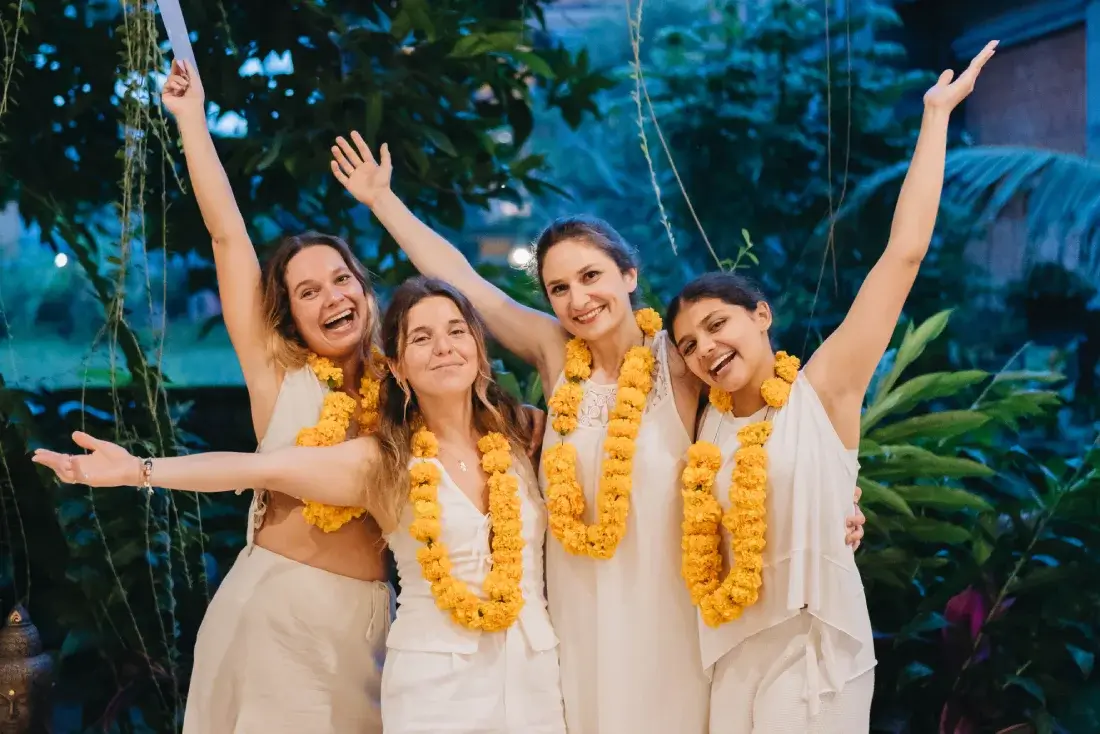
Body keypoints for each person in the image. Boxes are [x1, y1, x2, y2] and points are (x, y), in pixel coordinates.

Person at [327, 136, 867, 733]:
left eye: (591, 276)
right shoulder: (556, 356)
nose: (579, 299)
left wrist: (836, 496)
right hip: (579, 621)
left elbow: (769, 428)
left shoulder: (683, 362)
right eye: (559, 288)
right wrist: (382, 201)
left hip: (670, 620)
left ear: (628, 273)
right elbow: (463, 282)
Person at [34, 277, 566, 733]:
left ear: (477, 347)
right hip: (435, 684)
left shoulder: (527, 433)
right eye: (421, 337)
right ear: (399, 368)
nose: (444, 347)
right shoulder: (380, 461)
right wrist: (137, 471)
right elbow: (256, 469)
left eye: (456, 332)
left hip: (535, 673)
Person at [666, 40, 998, 733]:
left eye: (718, 324)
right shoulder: (704, 426)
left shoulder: (823, 390)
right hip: (730, 657)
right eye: (689, 345)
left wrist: (935, 117)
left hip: (812, 651)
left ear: (762, 317)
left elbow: (902, 255)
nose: (706, 349)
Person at [158, 60, 390, 732]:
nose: (331, 298)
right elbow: (228, 238)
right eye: (307, 292)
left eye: (341, 279)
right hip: (276, 618)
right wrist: (192, 121)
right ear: (289, 315)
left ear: (366, 290)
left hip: (373, 624)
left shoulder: (408, 386)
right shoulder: (279, 375)